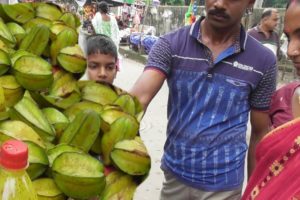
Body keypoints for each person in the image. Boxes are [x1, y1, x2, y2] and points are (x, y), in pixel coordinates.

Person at [130, 0, 277, 199]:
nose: (218, 3)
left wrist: (255, 191)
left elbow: (260, 133)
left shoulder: (263, 60)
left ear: (250, 2)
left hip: (224, 186)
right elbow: (138, 99)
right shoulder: (171, 44)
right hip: (175, 176)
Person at [241, 1, 300, 199]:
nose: (292, 50)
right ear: (263, 19)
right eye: (290, 37)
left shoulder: (273, 38)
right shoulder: (284, 98)